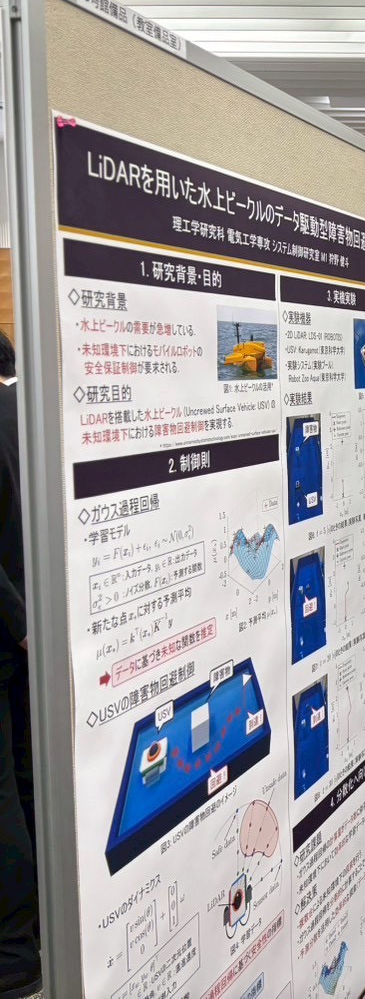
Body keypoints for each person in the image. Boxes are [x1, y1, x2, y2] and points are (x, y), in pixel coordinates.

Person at [0, 330, 39, 999]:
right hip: (36, 631)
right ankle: (38, 926)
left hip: (15, 625)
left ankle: (13, 954)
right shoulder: (27, 408)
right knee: (30, 780)